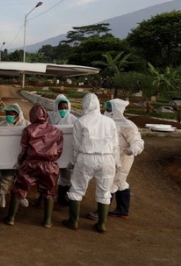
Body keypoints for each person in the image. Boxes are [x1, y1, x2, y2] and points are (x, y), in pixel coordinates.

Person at [62, 93, 119, 234]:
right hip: (106, 158)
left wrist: (73, 162)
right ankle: (101, 224)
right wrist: (117, 162)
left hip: (86, 157)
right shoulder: (110, 122)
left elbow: (76, 145)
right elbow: (115, 145)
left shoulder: (80, 122)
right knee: (105, 192)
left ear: (84, 105)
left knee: (76, 190)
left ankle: (73, 222)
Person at [4, 104, 64, 228]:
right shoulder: (56, 131)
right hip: (49, 165)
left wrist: (20, 162)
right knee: (50, 191)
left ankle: (11, 218)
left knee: (19, 189)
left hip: (31, 163)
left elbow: (24, 149)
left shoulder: (28, 129)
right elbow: (58, 151)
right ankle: (47, 221)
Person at [87, 99, 144, 219]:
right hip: (108, 157)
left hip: (123, 158)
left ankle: (101, 212)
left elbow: (137, 141)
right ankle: (122, 210)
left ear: (116, 110)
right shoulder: (104, 121)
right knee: (120, 182)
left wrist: (132, 150)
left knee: (110, 183)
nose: (106, 111)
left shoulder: (127, 125)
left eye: (109, 109)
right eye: (106, 108)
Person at [0, 103, 30, 208]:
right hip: (7, 156)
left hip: (22, 156)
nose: (8, 116)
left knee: (22, 178)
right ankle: (2, 196)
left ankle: (21, 196)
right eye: (7, 114)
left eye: (11, 114)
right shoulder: (1, 125)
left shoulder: (26, 124)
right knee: (6, 177)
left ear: (17, 114)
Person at [48, 94, 78, 206]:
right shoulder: (49, 117)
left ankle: (62, 196)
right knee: (50, 174)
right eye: (60, 108)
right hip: (53, 151)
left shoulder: (74, 120)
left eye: (65, 108)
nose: (63, 110)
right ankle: (47, 196)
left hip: (67, 151)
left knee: (67, 174)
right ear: (56, 107)